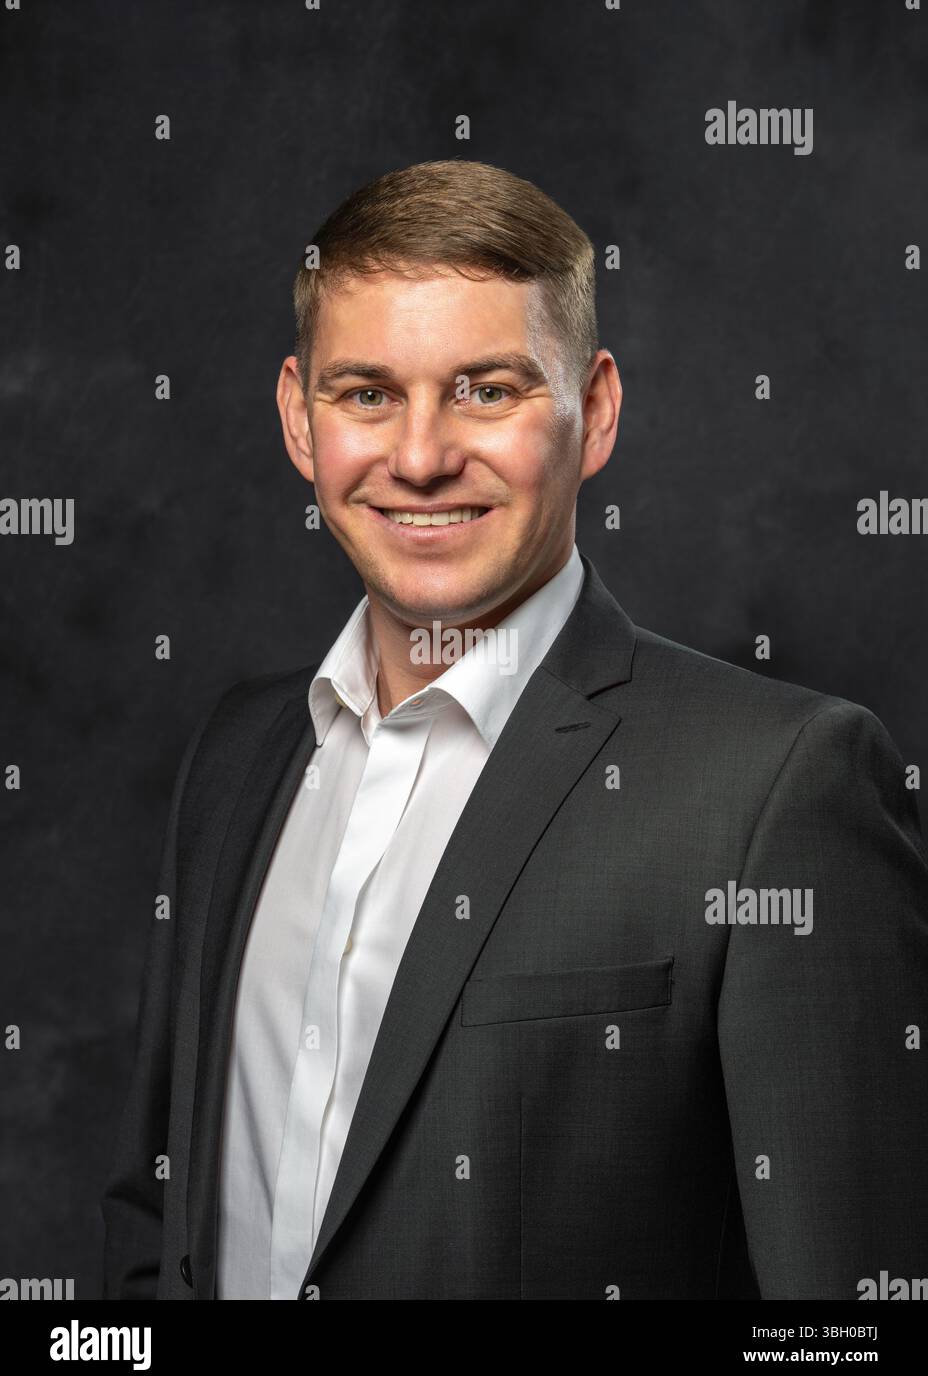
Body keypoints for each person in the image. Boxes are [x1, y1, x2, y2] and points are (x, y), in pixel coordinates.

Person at [101, 159, 928, 1300]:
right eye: (366, 393)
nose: (422, 454)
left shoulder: (778, 788)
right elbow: (157, 1209)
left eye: (486, 389)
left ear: (593, 411)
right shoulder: (237, 754)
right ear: (300, 418)